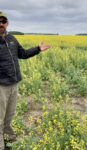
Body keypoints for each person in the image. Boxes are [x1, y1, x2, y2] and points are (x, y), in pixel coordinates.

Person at [0, 11, 51, 150]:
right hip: (1, 86)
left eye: (3, 21)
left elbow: (22, 54)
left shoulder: (12, 39)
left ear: (7, 23)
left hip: (13, 83)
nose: (0, 24)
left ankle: (9, 137)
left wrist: (37, 49)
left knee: (10, 115)